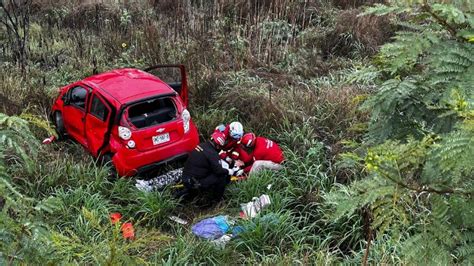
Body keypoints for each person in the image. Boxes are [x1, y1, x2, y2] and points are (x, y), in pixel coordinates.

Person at [179, 131, 236, 203]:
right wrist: (229, 171)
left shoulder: (202, 145)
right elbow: (218, 171)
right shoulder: (212, 153)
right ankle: (217, 201)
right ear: (218, 146)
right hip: (194, 183)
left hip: (186, 176)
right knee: (222, 176)